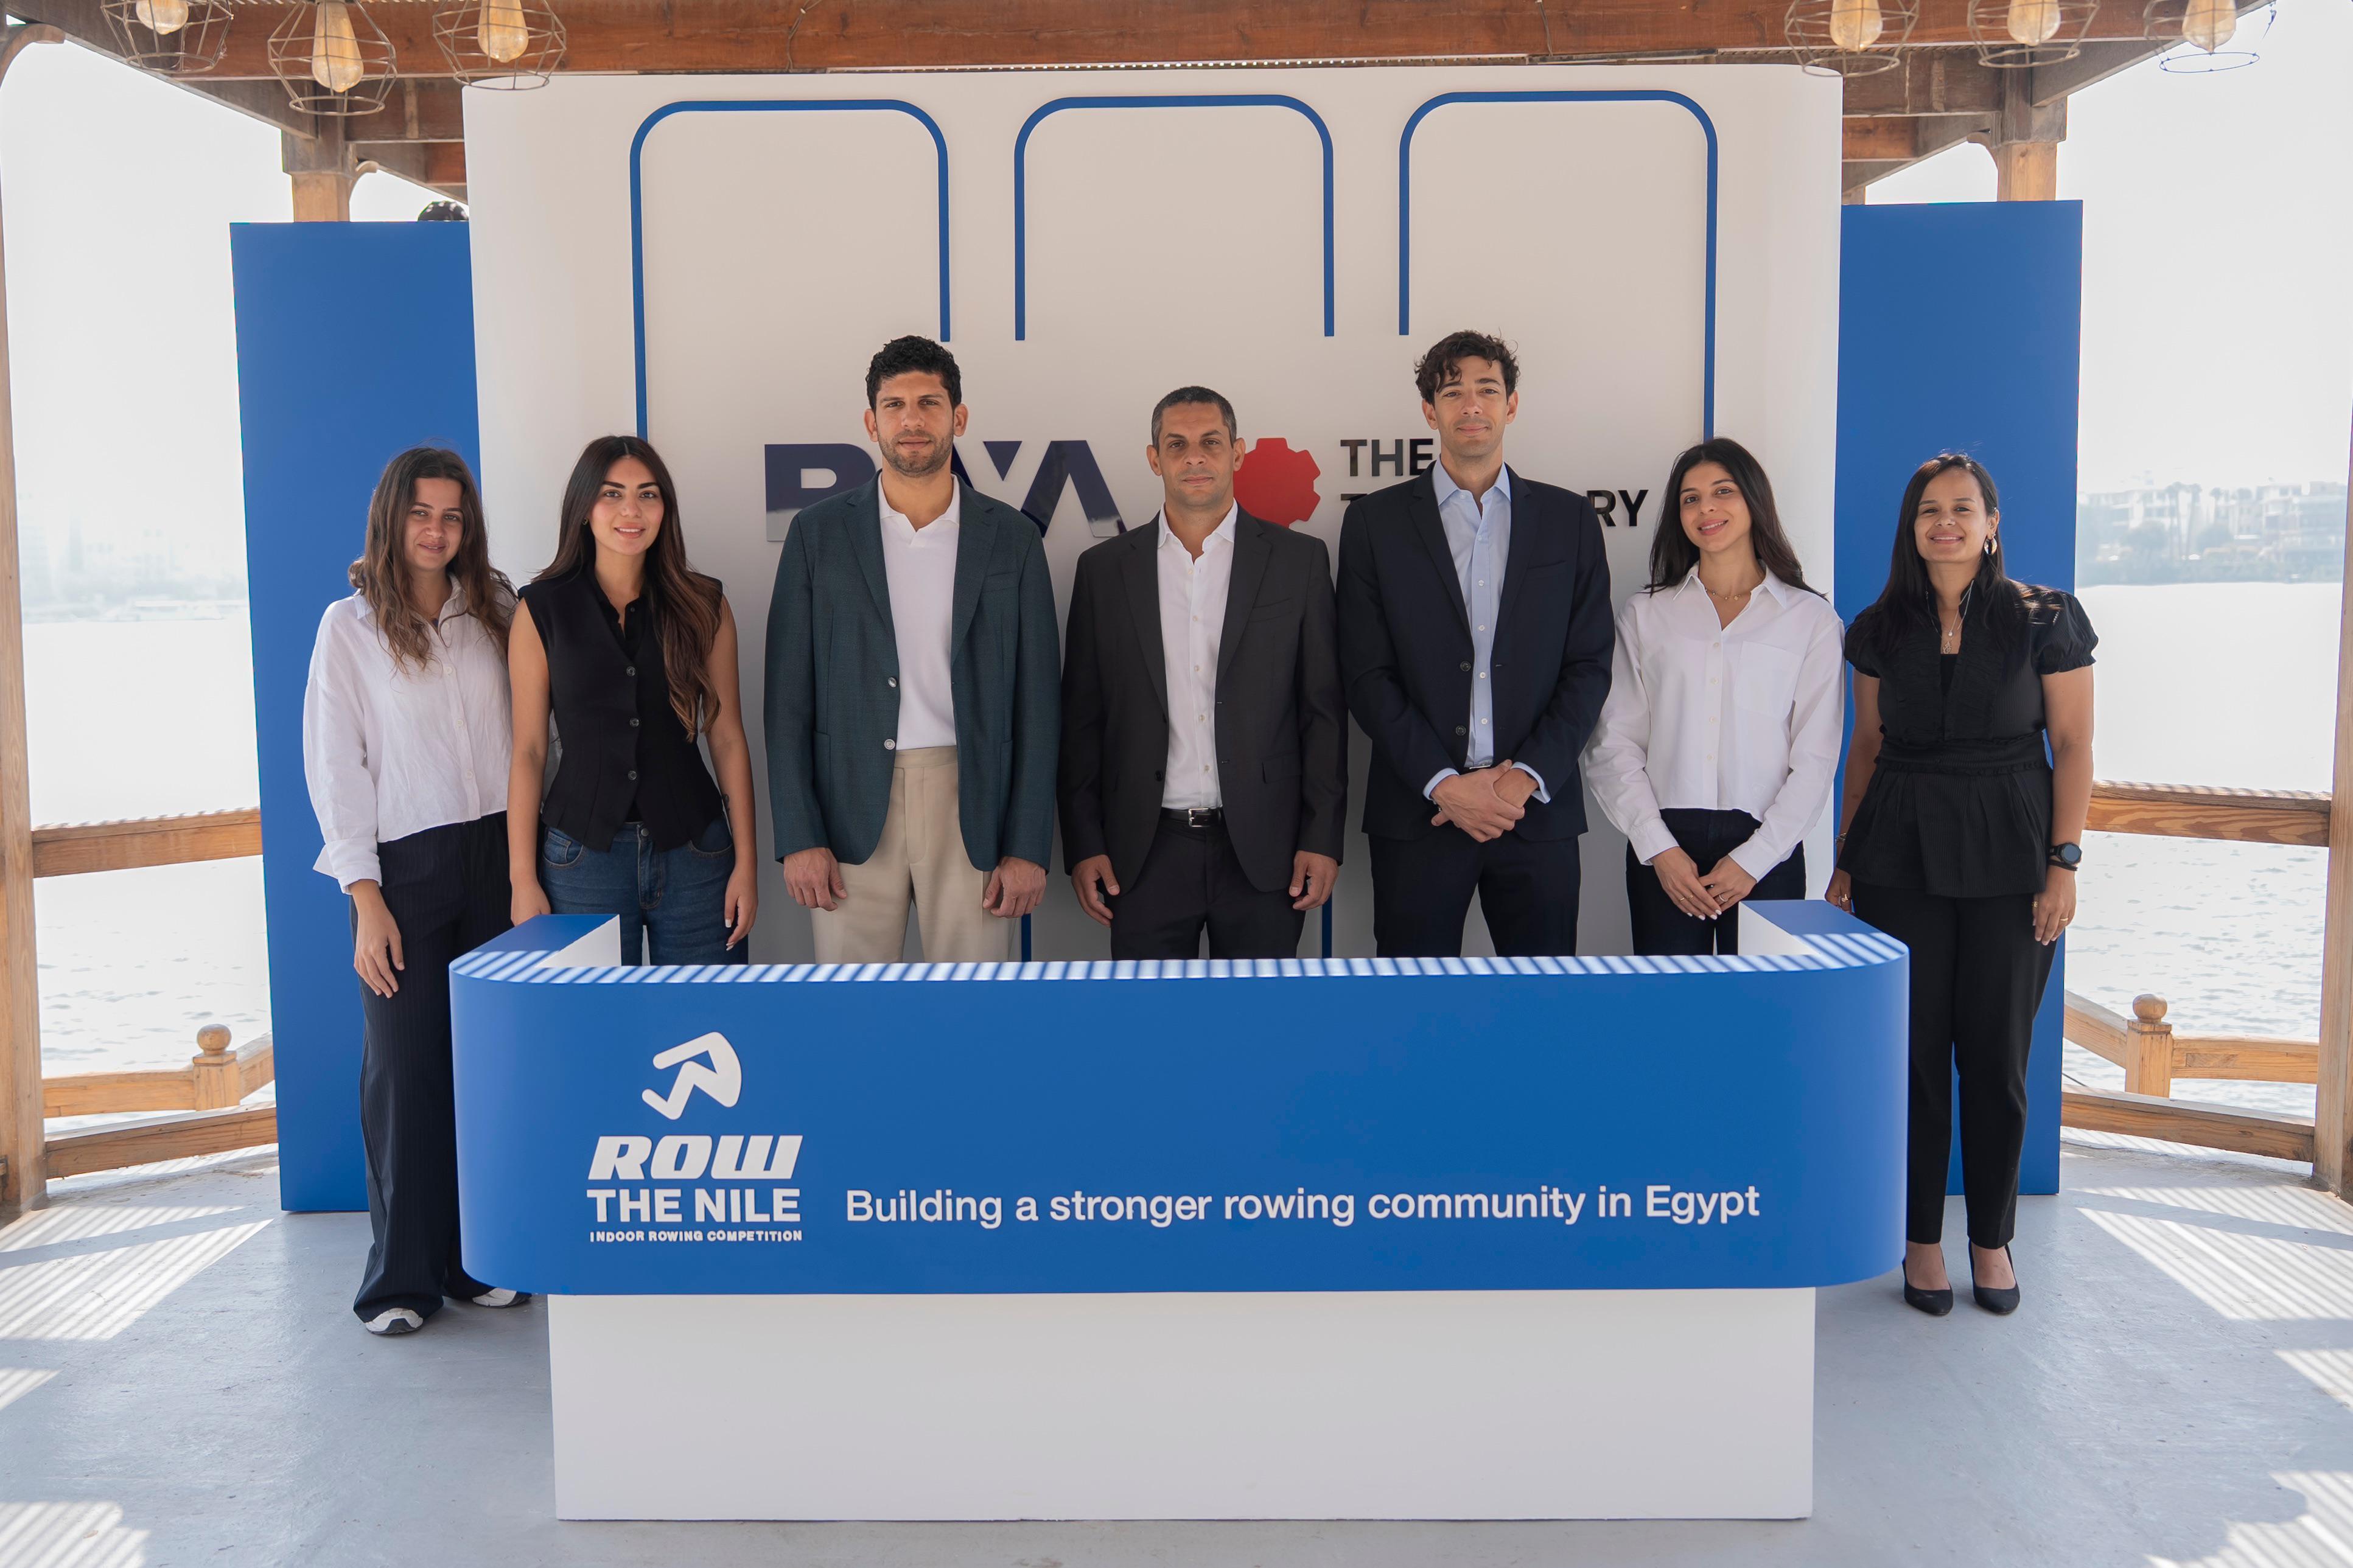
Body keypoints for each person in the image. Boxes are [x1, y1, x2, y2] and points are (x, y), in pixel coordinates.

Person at [1825, 453, 2095, 1319]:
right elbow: (1865, 747)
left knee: (1995, 1058)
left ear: (1990, 524)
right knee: (1911, 1060)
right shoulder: (1877, 627)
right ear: (1910, 528)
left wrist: (2063, 863)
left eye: (1961, 508)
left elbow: (2073, 745)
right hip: (1897, 854)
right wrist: (1844, 858)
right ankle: (1918, 1240)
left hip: (2013, 857)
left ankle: (1990, 1238)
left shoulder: (2046, 617)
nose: (1944, 522)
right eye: (1928, 510)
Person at [302, 446, 528, 1336]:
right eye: (421, 514)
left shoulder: (495, 611)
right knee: (403, 1072)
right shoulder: (348, 628)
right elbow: (335, 767)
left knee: (486, 1069)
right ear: (391, 518)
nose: (437, 532)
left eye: (452, 516)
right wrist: (365, 899)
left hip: (498, 857)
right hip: (404, 867)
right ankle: (399, 1279)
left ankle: (476, 1262)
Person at [764, 335, 1058, 964]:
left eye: (929, 402)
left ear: (959, 417)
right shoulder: (817, 535)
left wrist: (1028, 844)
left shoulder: (1012, 538)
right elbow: (786, 700)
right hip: (850, 806)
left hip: (973, 801)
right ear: (871, 423)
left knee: (974, 1007)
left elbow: (1039, 704)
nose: (911, 420)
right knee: (854, 1009)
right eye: (894, 405)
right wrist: (799, 834)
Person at [1336, 330, 1613, 957]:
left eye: (1487, 389)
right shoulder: (1374, 522)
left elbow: (1589, 665)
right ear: (1428, 411)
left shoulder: (1568, 519)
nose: (1471, 405)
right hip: (1421, 812)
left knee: (1541, 1004)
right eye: (1451, 391)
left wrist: (1523, 778)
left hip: (1533, 812)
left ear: (1510, 405)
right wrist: (1442, 782)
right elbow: (1365, 672)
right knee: (1412, 1002)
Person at [1059, 386, 1348, 959]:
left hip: (1266, 850)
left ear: (1237, 453)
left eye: (1211, 442)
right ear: (1154, 458)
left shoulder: (1299, 561)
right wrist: (1084, 843)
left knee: (1260, 1012)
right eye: (1177, 444)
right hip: (1143, 852)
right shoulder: (1103, 571)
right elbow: (1082, 721)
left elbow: (1323, 712)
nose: (1195, 457)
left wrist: (1322, 838)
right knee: (1150, 1016)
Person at [507, 436, 760, 966]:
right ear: (584, 508)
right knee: (591, 1017)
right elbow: (529, 751)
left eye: (648, 494)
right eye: (612, 494)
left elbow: (727, 737)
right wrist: (522, 879)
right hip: (581, 859)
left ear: (665, 509)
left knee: (704, 1012)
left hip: (697, 853)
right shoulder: (540, 610)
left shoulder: (705, 605)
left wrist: (747, 864)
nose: (631, 510)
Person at [1586, 439, 1844, 955]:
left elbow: (1816, 760)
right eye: (1691, 498)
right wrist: (1658, 849)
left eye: (1723, 492)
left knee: (1762, 1003)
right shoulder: (1645, 614)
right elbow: (1614, 744)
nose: (1706, 508)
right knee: (1670, 1001)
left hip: (1767, 852)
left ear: (1754, 500)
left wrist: (1754, 859)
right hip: (1665, 849)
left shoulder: (1810, 619)